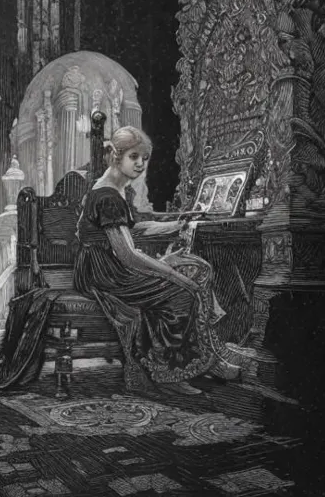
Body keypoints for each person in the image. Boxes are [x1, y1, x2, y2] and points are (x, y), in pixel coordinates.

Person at [74, 125, 241, 395]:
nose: (141, 164)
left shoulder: (112, 189)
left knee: (198, 269)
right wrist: (171, 274)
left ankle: (208, 359)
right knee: (181, 291)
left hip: (100, 267)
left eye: (145, 158)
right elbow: (128, 255)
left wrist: (175, 225)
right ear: (116, 156)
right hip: (106, 274)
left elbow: (131, 230)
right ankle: (171, 372)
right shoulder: (107, 196)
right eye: (134, 157)